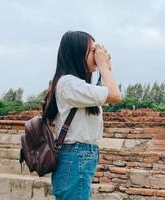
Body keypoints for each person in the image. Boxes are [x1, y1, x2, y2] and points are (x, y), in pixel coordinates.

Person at [42, 31, 122, 200]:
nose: (97, 54)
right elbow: (115, 95)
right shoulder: (68, 83)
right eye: (93, 50)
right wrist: (103, 66)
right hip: (75, 155)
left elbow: (107, 92)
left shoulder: (77, 84)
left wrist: (105, 68)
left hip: (80, 155)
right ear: (77, 52)